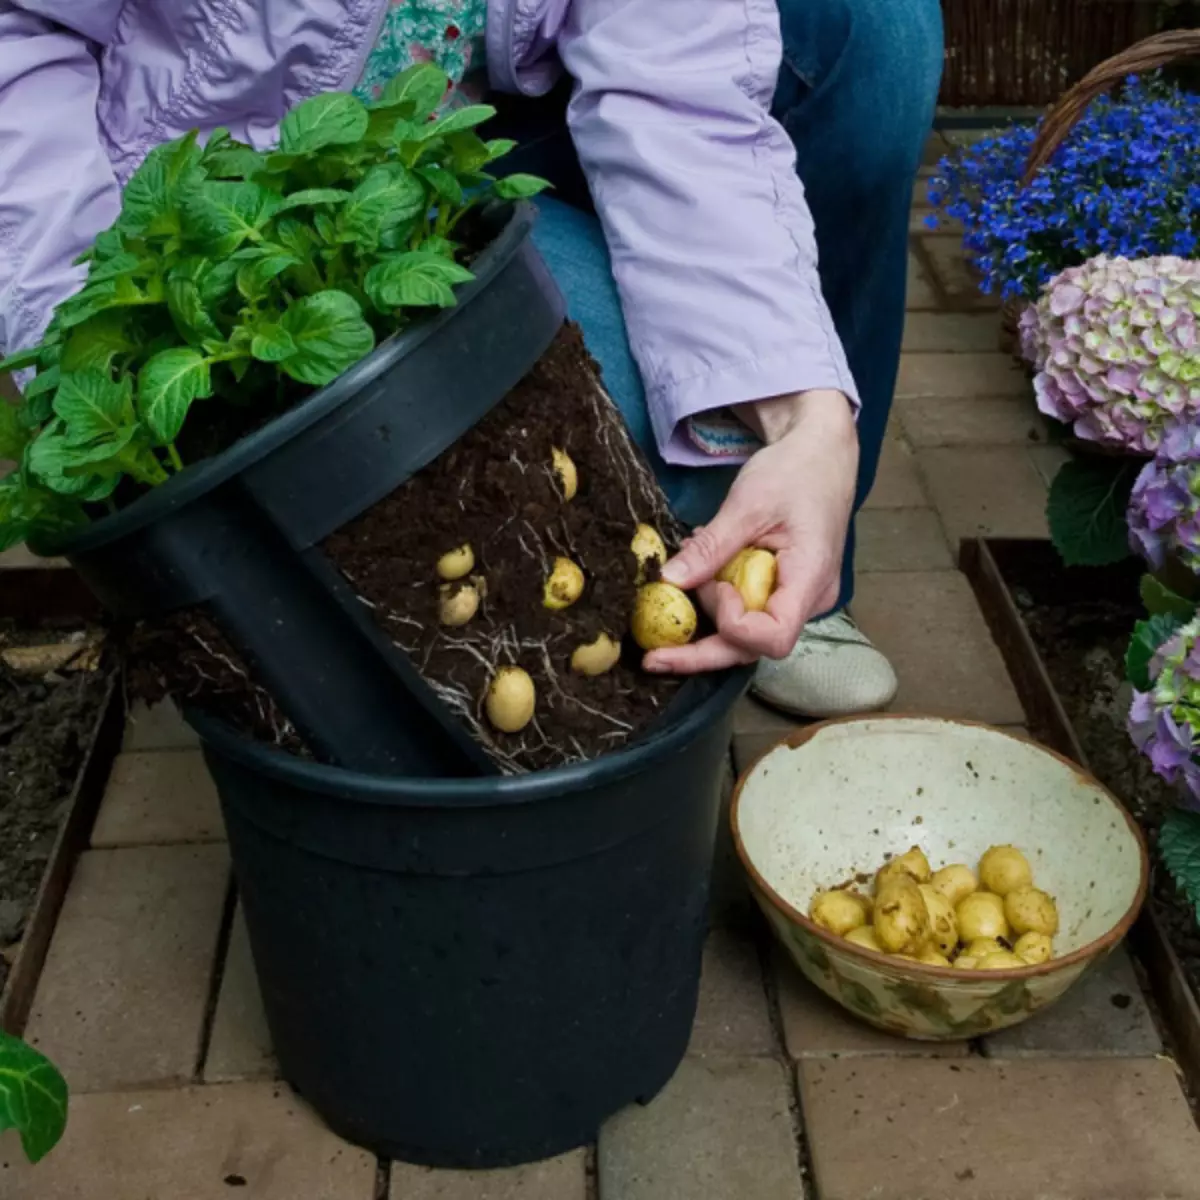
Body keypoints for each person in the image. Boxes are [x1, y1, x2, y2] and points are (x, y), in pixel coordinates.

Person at [0, 0, 943, 719]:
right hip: (231, 194)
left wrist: (803, 416)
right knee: (604, 461)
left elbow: (680, 90)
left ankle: (796, 562)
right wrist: (87, 340)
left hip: (471, 123)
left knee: (872, 28)